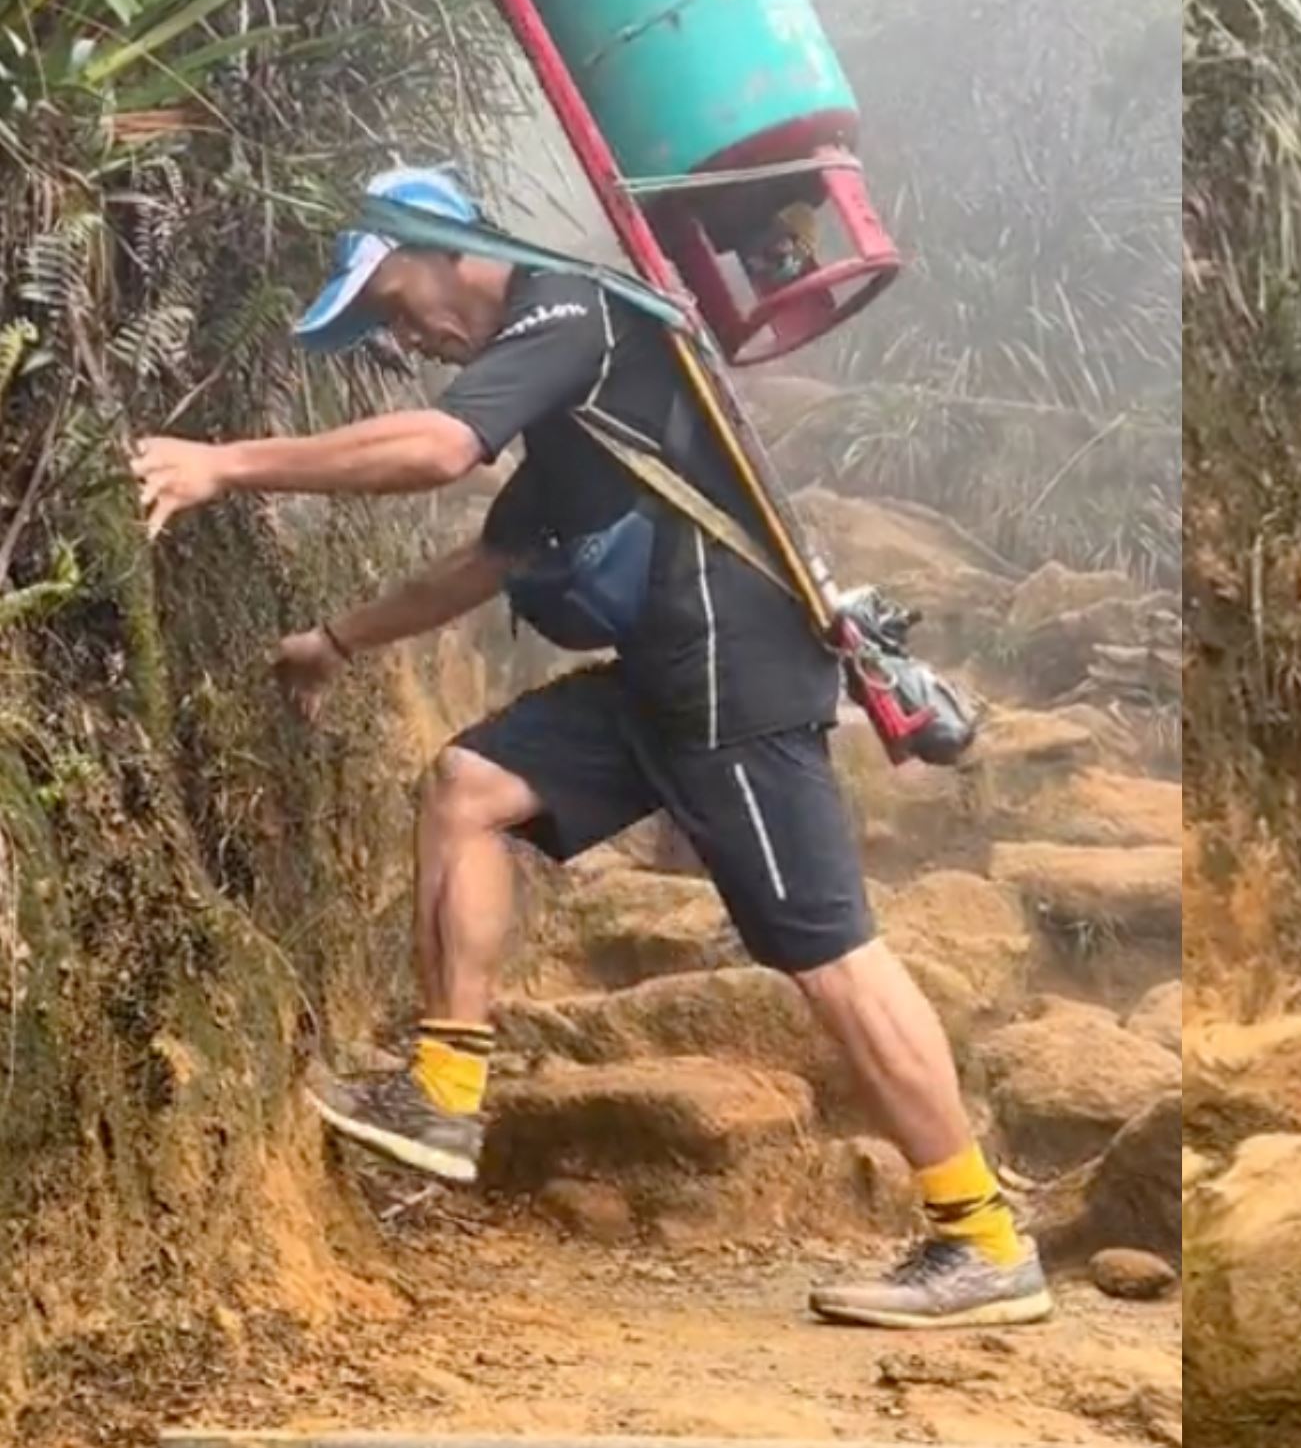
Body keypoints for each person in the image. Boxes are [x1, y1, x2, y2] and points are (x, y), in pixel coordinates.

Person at [130, 166, 1049, 1330]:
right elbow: (490, 560)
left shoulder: (570, 312)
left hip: (733, 672)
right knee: (468, 788)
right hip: (664, 679)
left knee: (829, 953)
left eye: (394, 302)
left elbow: (435, 449)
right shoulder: (569, 413)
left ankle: (979, 1238)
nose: (404, 336)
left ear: (451, 246)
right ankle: (443, 1095)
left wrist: (224, 463)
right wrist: (334, 641)